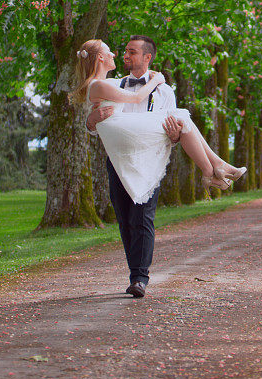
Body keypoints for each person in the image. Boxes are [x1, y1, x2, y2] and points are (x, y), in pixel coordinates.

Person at [81, 36, 245, 298]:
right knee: (124, 219)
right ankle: (215, 168)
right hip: (120, 159)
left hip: (150, 158)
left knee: (143, 217)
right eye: (123, 51)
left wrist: (175, 136)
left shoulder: (165, 91)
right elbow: (98, 124)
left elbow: (176, 133)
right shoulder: (112, 83)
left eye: (132, 52)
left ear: (148, 58)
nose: (125, 56)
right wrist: (90, 121)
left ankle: (139, 278)